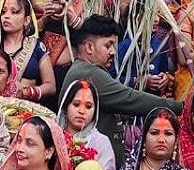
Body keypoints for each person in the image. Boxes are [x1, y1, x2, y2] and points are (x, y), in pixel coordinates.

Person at [63, 15, 181, 162]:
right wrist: (179, 106)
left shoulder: (85, 70)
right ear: (89, 47)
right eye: (108, 45)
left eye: (114, 45)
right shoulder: (88, 73)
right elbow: (131, 99)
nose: (113, 51)